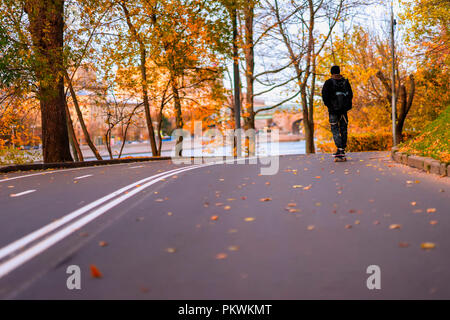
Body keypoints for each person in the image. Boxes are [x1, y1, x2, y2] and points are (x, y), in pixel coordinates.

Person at [321, 65, 353, 158]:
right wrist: (346, 108)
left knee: (335, 129)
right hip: (344, 111)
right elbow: (350, 95)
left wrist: (330, 106)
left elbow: (324, 97)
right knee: (344, 129)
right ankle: (342, 149)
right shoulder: (345, 82)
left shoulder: (328, 83)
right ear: (339, 72)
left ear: (331, 73)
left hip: (333, 111)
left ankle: (339, 148)